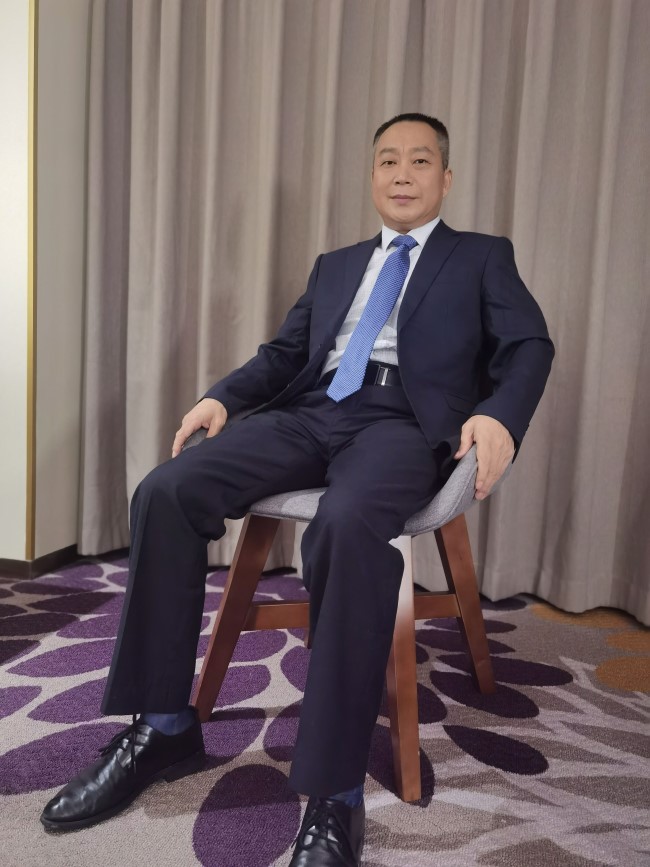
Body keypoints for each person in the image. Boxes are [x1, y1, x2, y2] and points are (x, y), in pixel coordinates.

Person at [40, 113, 554, 866]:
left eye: (420, 161)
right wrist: (222, 396)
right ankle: (162, 726)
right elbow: (284, 354)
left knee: (345, 526)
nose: (402, 173)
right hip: (312, 413)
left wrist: (500, 414)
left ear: (446, 178)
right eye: (387, 160)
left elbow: (530, 344)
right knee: (167, 491)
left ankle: (334, 790)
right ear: (371, 176)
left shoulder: (480, 256)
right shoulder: (335, 265)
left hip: (401, 423)